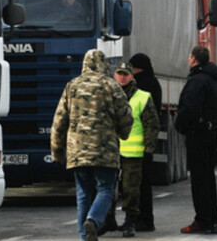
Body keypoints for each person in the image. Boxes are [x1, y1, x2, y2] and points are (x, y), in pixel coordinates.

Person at [51, 49, 134, 241]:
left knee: (83, 194)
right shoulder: (111, 86)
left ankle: (84, 237)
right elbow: (126, 117)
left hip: (77, 151)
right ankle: (94, 220)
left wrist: (57, 150)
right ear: (105, 65)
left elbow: (59, 121)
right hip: (105, 151)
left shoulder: (72, 86)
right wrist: (123, 134)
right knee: (105, 189)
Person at [176, 46, 217, 234]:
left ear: (194, 59)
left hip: (198, 133)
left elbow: (190, 108)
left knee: (199, 179)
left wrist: (179, 123)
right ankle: (212, 219)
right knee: (208, 177)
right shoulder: (214, 80)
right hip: (212, 132)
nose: (188, 59)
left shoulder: (197, 81)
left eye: (189, 56)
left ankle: (202, 220)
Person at [112, 61, 159, 238]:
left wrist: (148, 149)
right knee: (108, 188)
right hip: (112, 151)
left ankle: (131, 220)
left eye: (126, 74)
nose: (122, 77)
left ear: (132, 76)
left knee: (131, 189)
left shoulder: (143, 97)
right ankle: (108, 220)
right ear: (114, 76)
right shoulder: (108, 96)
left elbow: (151, 125)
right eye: (119, 74)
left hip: (134, 152)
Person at [127, 53, 162, 232]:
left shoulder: (139, 86)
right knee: (144, 183)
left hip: (135, 143)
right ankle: (146, 219)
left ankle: (142, 219)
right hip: (146, 142)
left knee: (136, 186)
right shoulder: (154, 83)